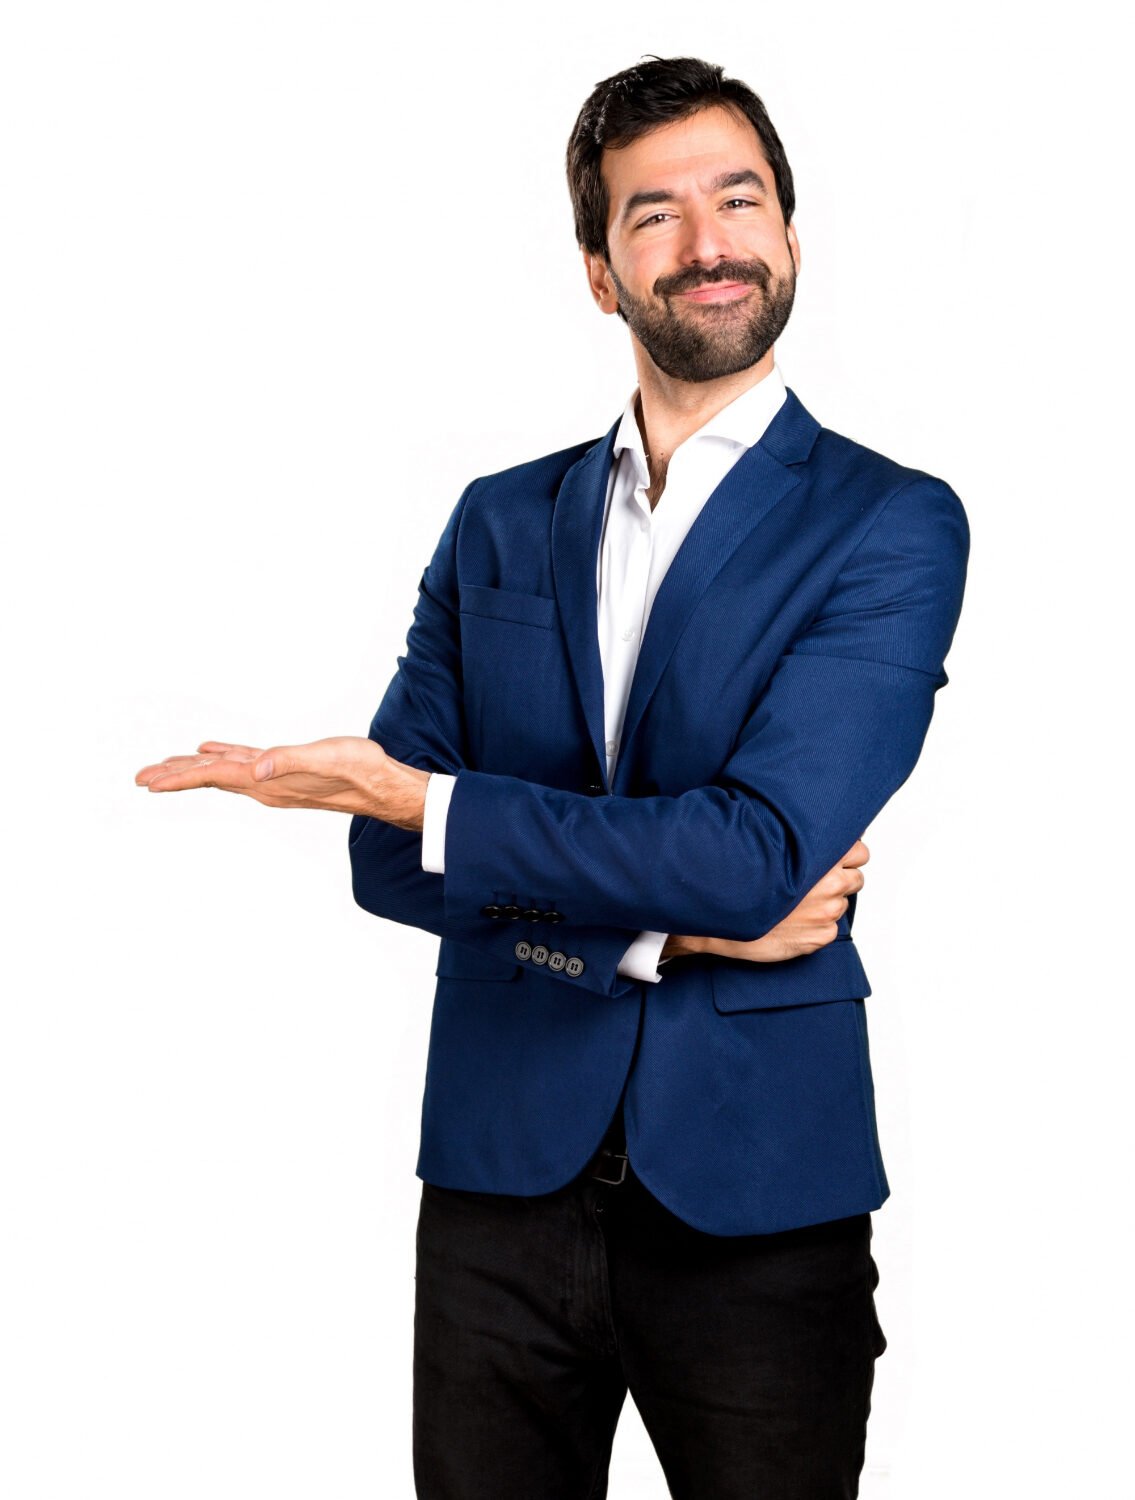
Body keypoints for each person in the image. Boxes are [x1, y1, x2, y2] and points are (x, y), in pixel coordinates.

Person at [136, 54, 969, 1500]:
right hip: (496, 1195)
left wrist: (438, 806)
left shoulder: (891, 525)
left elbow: (754, 856)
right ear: (600, 272)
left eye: (738, 200)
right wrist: (661, 936)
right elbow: (388, 862)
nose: (706, 241)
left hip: (760, 1198)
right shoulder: (497, 522)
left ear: (790, 234)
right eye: (654, 214)